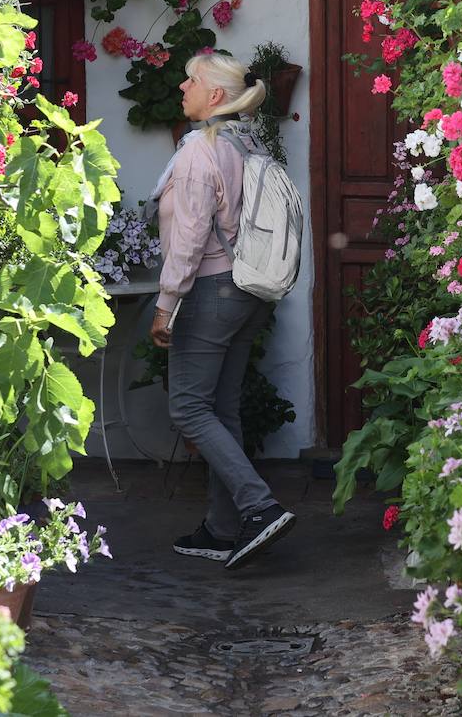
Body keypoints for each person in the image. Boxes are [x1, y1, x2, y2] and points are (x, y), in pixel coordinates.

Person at [146, 51, 295, 571]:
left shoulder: (198, 152)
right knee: (222, 408)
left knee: (188, 407)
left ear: (214, 96)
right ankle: (222, 528)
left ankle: (259, 508)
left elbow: (187, 240)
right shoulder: (247, 142)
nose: (181, 88)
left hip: (210, 291)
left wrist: (166, 305)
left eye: (191, 81)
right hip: (247, 293)